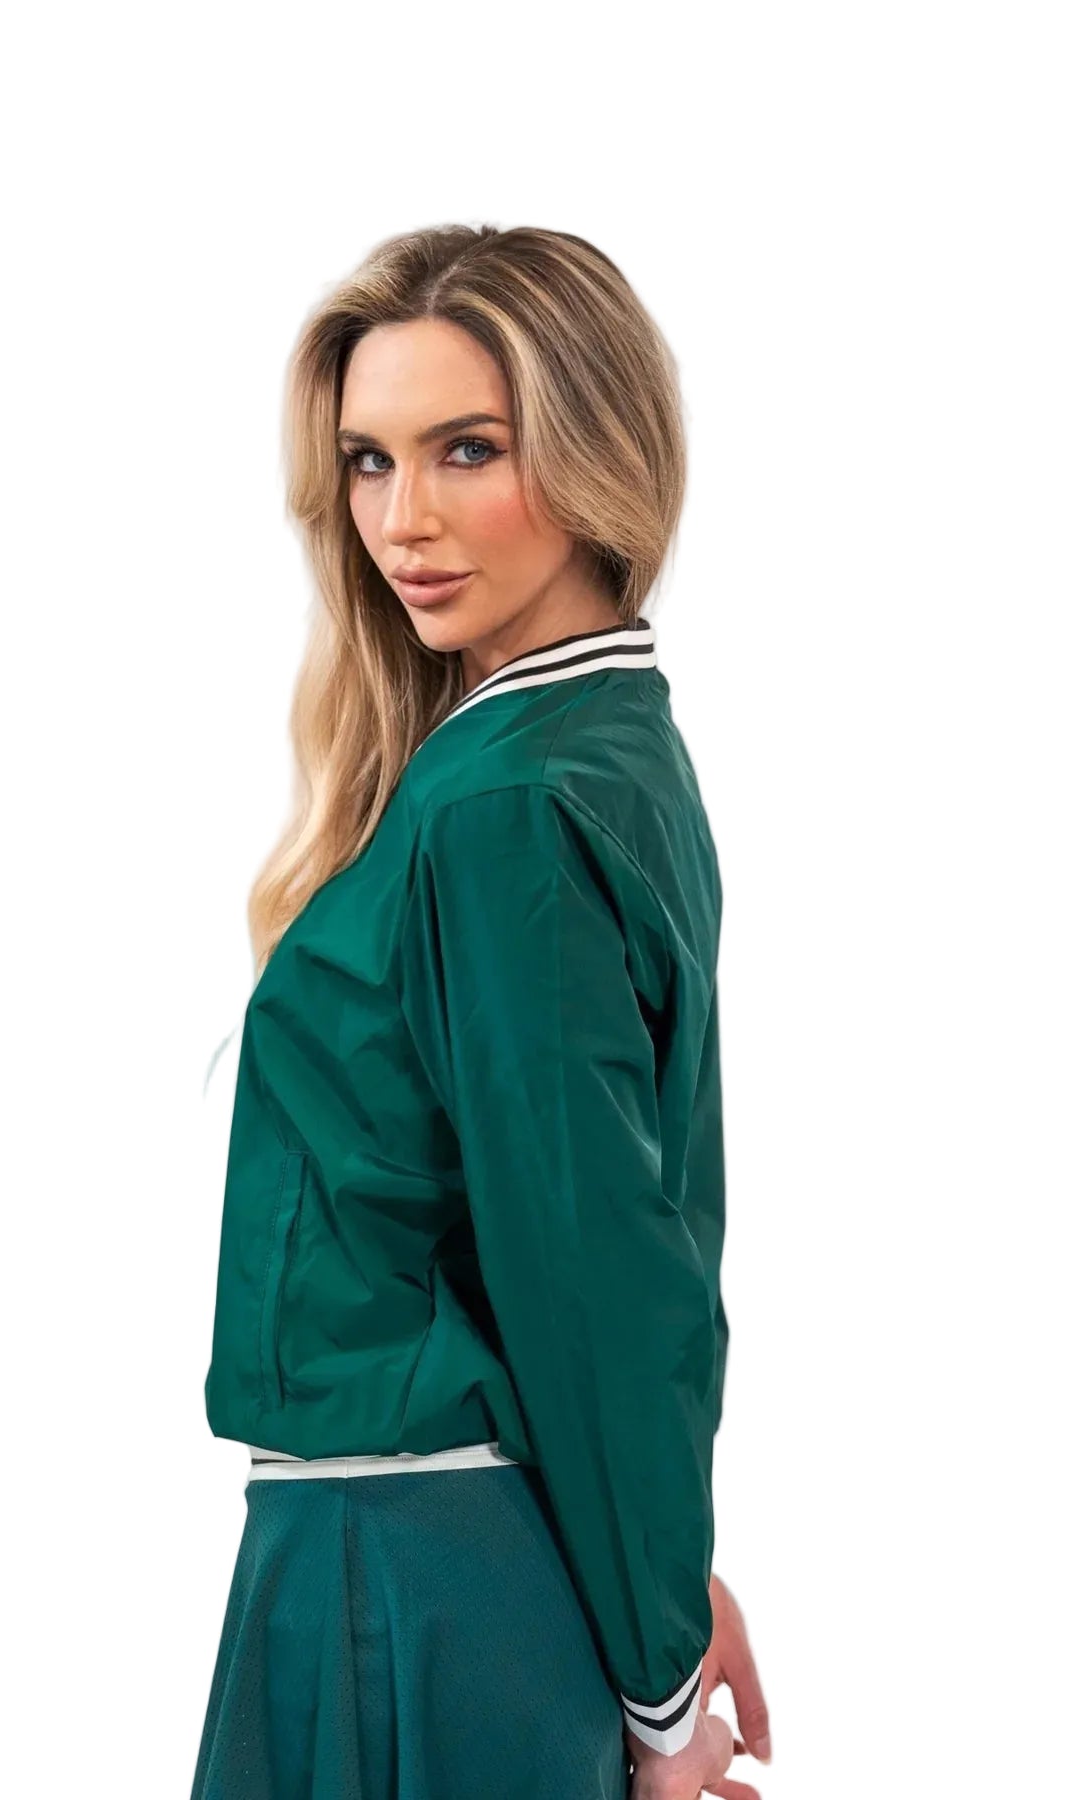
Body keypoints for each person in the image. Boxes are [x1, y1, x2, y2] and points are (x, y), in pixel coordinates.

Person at [189, 223, 771, 1800]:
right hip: (447, 1554)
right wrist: (651, 1576)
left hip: (408, 1571)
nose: (405, 519)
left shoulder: (508, 802)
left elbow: (596, 1266)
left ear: (597, 450)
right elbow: (609, 1235)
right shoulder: (593, 745)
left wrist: (660, 1690)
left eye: (469, 450)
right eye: (369, 462)